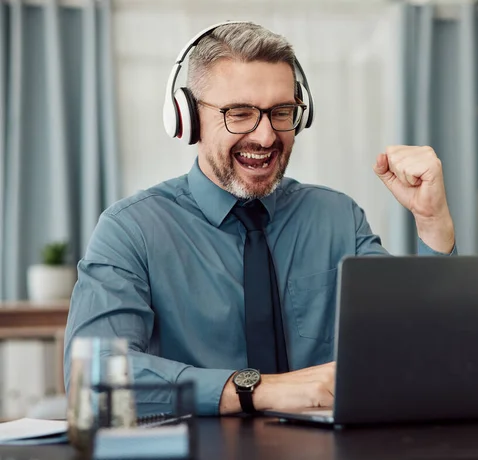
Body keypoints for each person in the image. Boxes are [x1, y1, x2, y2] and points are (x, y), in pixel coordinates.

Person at [63, 21, 457, 417]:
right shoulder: (131, 230)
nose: (266, 137)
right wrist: (260, 391)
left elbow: (419, 350)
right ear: (188, 119)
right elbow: (94, 382)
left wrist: (431, 220)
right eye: (240, 113)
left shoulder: (337, 218)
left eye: (281, 112)